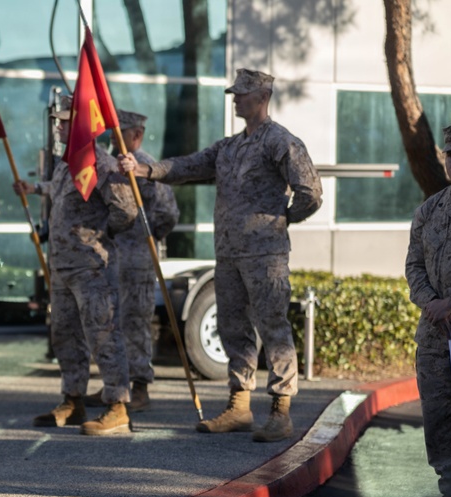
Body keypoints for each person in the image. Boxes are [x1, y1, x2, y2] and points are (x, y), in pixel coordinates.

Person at [120, 68, 322, 442]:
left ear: (261, 97)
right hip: (229, 254)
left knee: (273, 327)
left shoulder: (279, 141)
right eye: (234, 93)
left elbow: (310, 190)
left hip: (265, 254)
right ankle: (239, 406)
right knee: (233, 327)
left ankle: (280, 410)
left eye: (241, 94)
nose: (235, 99)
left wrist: (282, 220)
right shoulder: (228, 147)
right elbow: (186, 166)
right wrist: (145, 169)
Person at [14, 95, 138, 435]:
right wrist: (34, 188)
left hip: (91, 268)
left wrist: (98, 235)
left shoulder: (102, 163)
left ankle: (117, 405)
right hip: (63, 267)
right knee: (65, 336)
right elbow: (59, 190)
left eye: (65, 120)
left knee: (103, 336)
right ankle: (73, 399)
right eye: (57, 120)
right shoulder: (66, 163)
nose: (59, 125)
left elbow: (126, 210)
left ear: (83, 124)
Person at [85, 109, 180, 413]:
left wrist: (144, 236)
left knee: (135, 322)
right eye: (112, 132)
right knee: (111, 322)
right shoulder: (110, 165)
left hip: (137, 258)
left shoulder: (146, 166)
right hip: (111, 257)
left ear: (136, 135)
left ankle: (140, 386)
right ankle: (117, 383)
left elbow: (168, 214)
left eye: (120, 131)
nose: (113, 138)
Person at [405, 124, 451, 497]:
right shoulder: (430, 210)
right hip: (436, 334)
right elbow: (413, 266)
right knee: (440, 419)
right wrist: (431, 301)